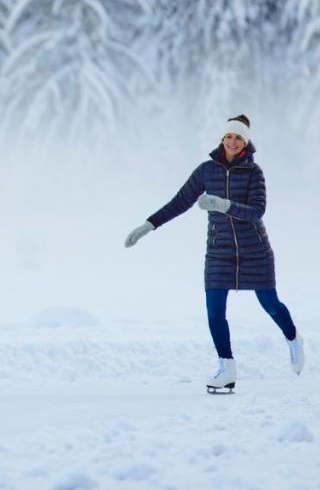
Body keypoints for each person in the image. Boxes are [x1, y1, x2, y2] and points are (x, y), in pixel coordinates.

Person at [123, 114, 305, 393]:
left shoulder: (254, 173)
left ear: (245, 143)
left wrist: (222, 204)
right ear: (222, 139)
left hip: (254, 250)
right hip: (219, 251)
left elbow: (257, 211)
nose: (232, 141)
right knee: (214, 311)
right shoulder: (207, 170)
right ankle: (226, 368)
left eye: (238, 138)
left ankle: (293, 339)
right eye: (228, 136)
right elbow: (180, 201)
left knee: (270, 304)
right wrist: (149, 224)